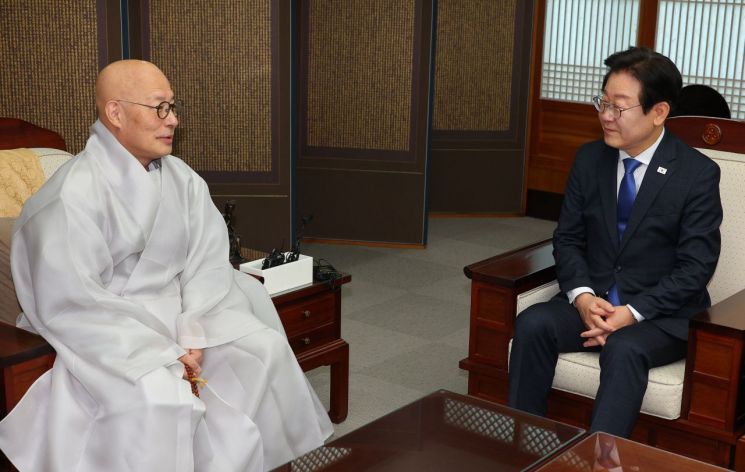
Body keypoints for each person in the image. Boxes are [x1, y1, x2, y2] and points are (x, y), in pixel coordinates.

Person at [0, 60, 332, 471]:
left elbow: (208, 260)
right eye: (159, 108)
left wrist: (194, 328)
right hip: (111, 332)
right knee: (162, 396)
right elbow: (73, 300)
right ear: (115, 113)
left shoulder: (182, 178)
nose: (172, 120)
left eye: (172, 107)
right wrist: (163, 350)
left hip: (187, 309)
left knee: (261, 350)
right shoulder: (69, 198)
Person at [507, 47, 722, 437]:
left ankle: (601, 460)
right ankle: (526, 444)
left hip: (659, 315)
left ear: (658, 112)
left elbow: (695, 268)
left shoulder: (696, 174)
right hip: (595, 302)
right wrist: (584, 297)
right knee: (533, 322)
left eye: (618, 107)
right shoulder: (590, 160)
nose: (605, 116)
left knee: (624, 348)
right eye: (602, 102)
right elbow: (568, 238)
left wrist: (632, 313)